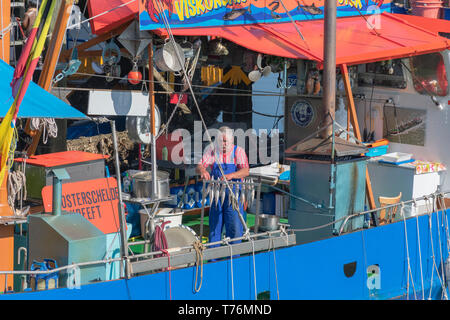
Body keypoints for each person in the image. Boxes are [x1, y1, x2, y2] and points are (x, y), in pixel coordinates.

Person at [196, 126, 249, 245]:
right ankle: (213, 259)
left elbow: (245, 171)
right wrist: (203, 171)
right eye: (220, 141)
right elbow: (199, 166)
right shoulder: (212, 151)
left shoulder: (238, 151)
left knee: (234, 227)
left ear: (232, 141)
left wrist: (232, 175)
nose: (223, 144)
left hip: (234, 195)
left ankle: (234, 257)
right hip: (217, 195)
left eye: (226, 141)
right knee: (215, 227)